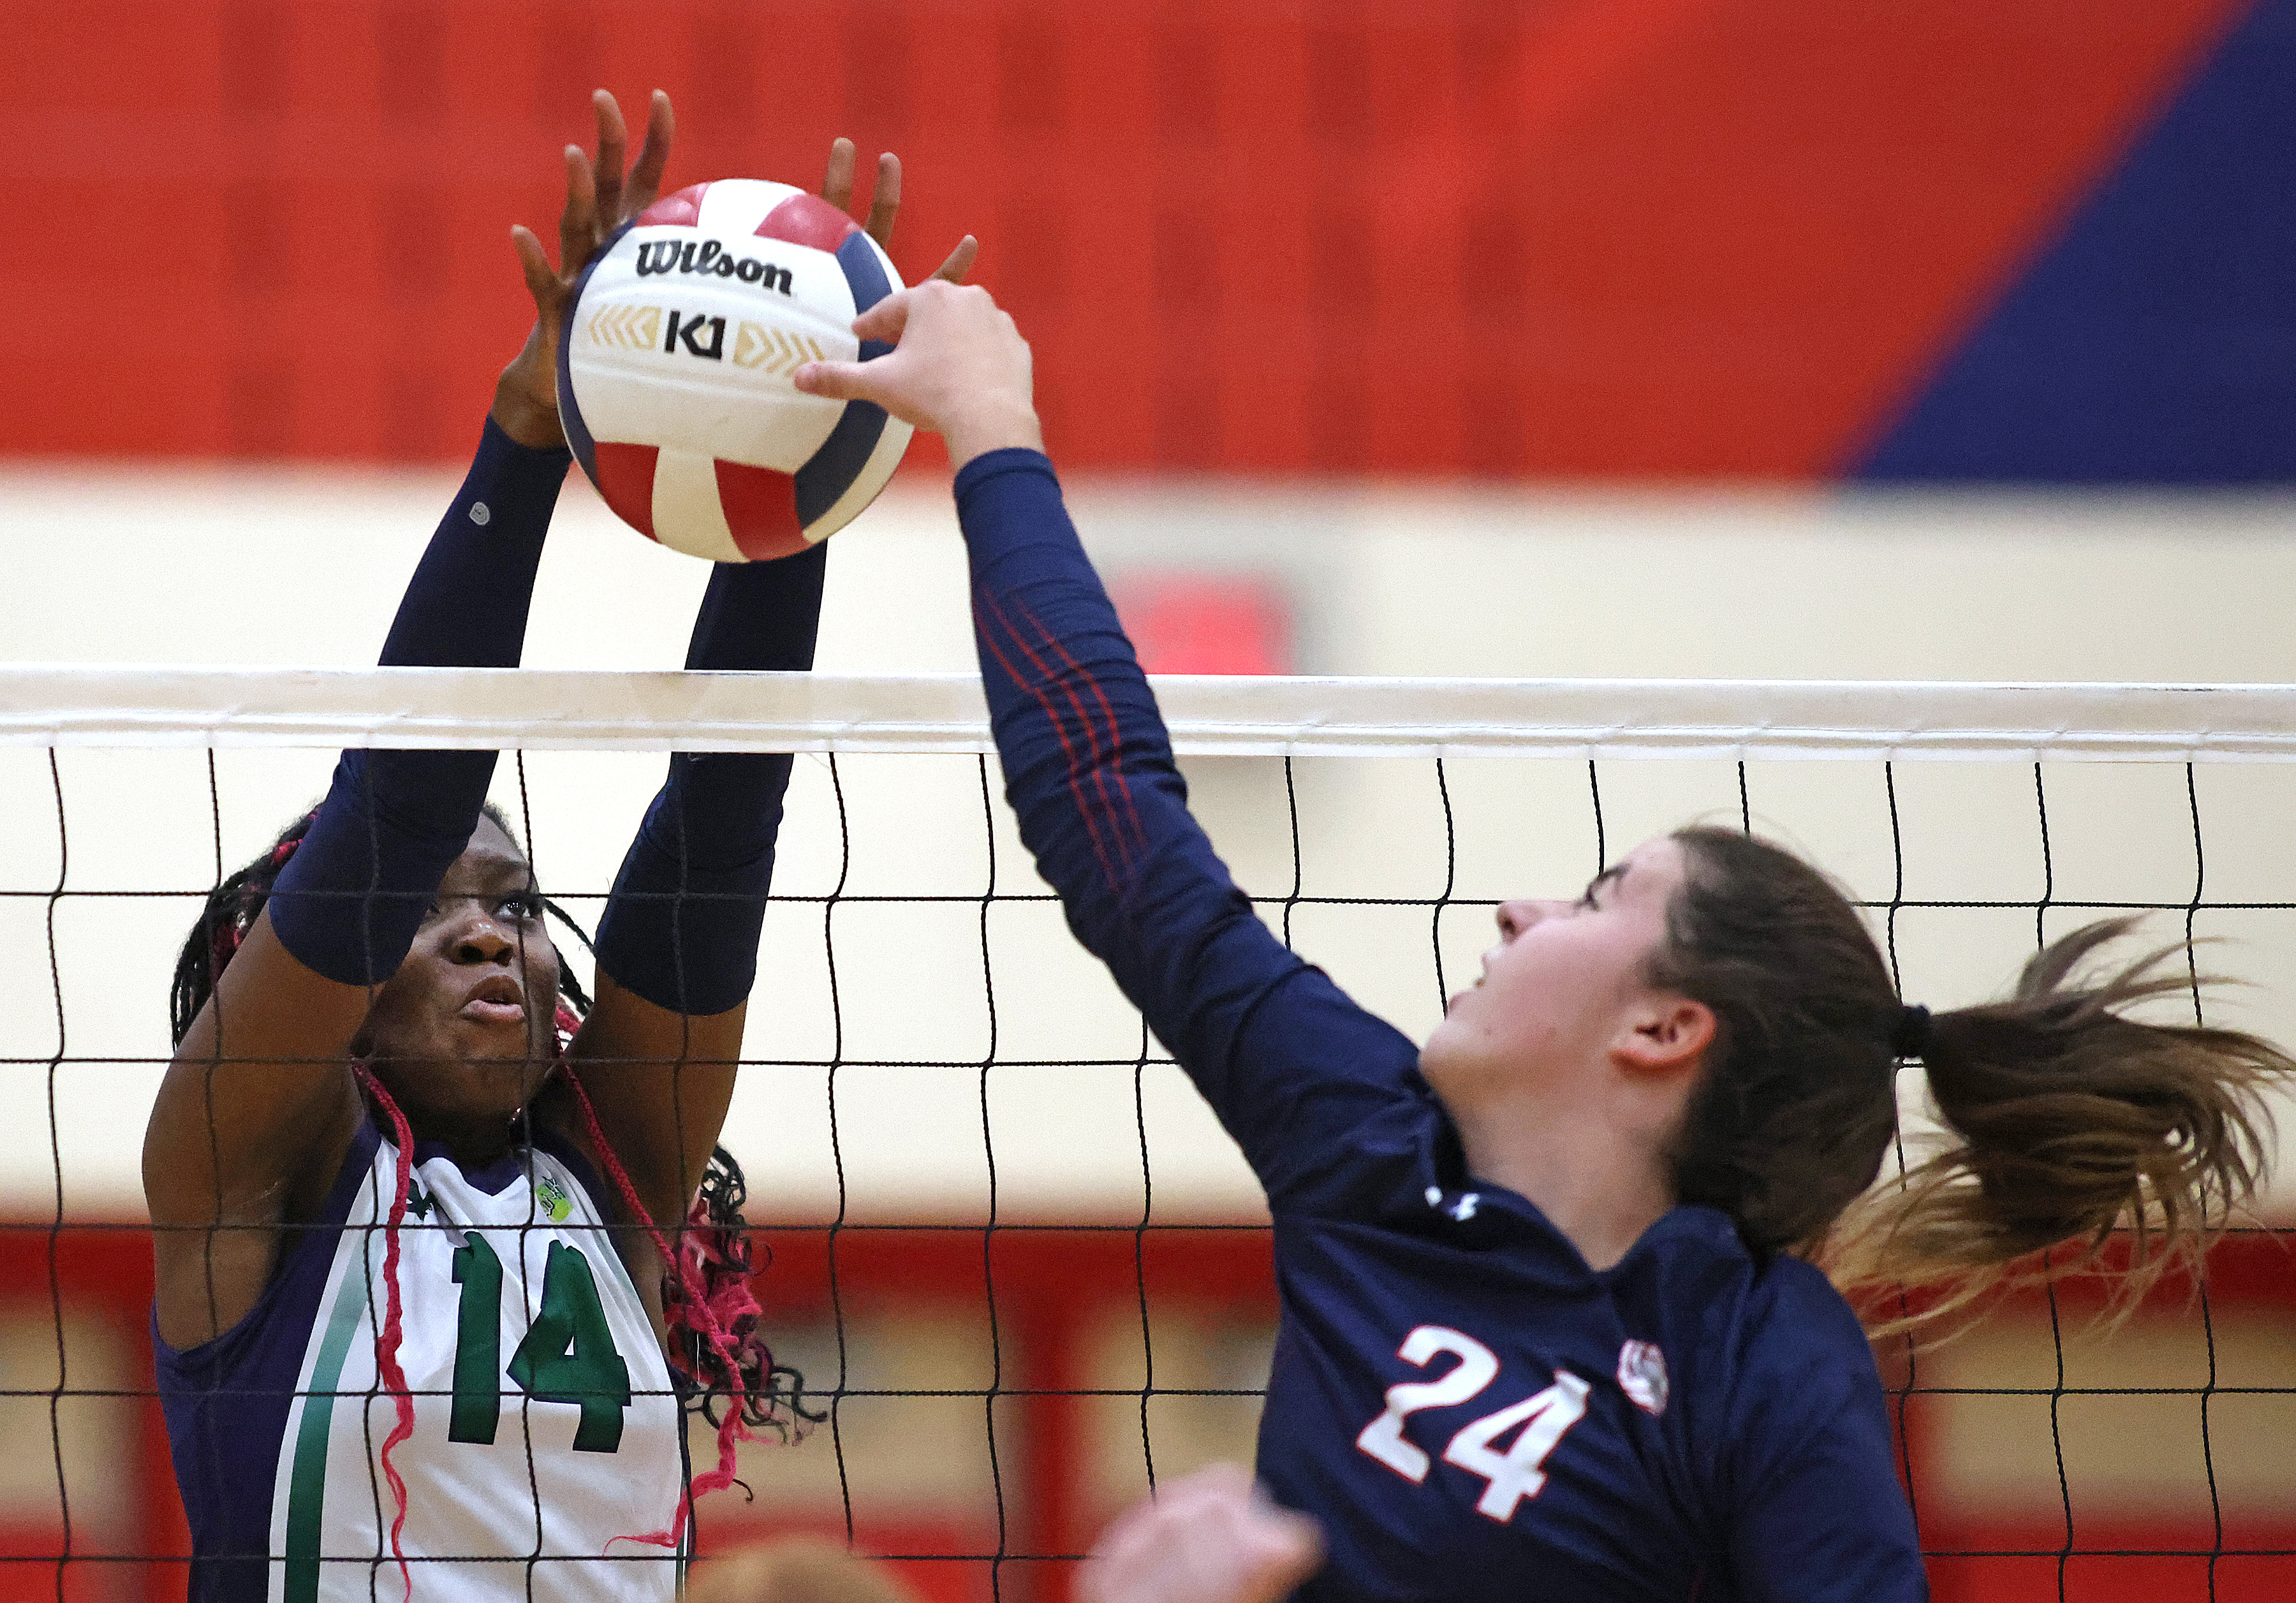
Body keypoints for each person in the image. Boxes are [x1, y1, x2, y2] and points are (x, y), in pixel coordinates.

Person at [791, 282, 2292, 1602]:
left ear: (1664, 1030)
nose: (1515, 909)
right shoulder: (1368, 1145)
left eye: (1590, 900)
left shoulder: (1756, 1358)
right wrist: (994, 429)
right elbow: (1115, 823)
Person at [147, 91, 975, 1603]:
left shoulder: (613, 1170)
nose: (489, 935)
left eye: (520, 904)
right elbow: (393, 808)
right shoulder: (244, 1158)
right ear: (310, 971)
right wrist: (526, 432)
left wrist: (804, 460)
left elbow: (718, 838)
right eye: (429, 912)